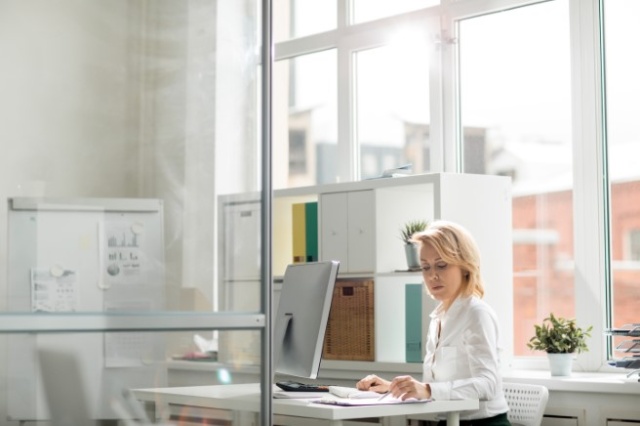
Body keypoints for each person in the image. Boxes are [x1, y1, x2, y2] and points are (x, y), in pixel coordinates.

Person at [356, 220, 510, 426]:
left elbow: (488, 384)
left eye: (441, 265)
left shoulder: (476, 314)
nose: (432, 275)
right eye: (425, 267)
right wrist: (394, 388)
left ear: (465, 266)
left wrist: (427, 390)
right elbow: (443, 388)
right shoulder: (438, 318)